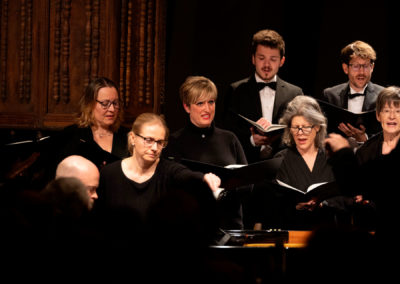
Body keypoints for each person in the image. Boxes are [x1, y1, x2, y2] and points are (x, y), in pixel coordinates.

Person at [95, 112, 221, 244]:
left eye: (160, 142)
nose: (155, 148)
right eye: (148, 140)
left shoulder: (168, 171)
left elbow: (185, 175)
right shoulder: (109, 174)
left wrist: (204, 178)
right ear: (133, 138)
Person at [163, 75, 248, 229]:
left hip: (229, 225)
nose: (207, 109)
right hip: (192, 228)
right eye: (200, 103)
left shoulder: (229, 139)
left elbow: (247, 184)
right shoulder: (174, 142)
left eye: (211, 102)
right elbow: (172, 186)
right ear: (187, 107)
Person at [253, 96, 337, 230]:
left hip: (326, 233)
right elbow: (269, 206)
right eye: (295, 127)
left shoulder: (332, 158)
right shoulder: (280, 159)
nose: (300, 133)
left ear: (317, 127)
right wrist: (294, 205)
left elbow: (347, 199)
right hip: (291, 231)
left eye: (305, 127)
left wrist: (324, 203)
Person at [325, 86, 400, 236]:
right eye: (386, 111)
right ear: (378, 116)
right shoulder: (366, 149)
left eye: (398, 111)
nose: (392, 116)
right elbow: (353, 186)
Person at [223, 29, 303, 163]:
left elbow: (300, 133)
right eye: (261, 58)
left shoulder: (295, 94)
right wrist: (251, 140)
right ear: (253, 58)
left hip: (282, 168)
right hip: (246, 166)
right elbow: (227, 132)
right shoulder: (236, 90)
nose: (267, 65)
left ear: (281, 61)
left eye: (273, 59)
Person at [57, 77, 130, 171]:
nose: (112, 109)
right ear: (90, 104)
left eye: (115, 103)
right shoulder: (72, 135)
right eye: (105, 103)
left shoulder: (128, 136)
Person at [322, 40, 384, 144]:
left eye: (365, 66)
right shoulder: (330, 95)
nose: (361, 72)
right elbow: (323, 132)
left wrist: (365, 139)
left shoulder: (383, 95)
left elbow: (390, 134)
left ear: (372, 67)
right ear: (345, 68)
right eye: (356, 66)